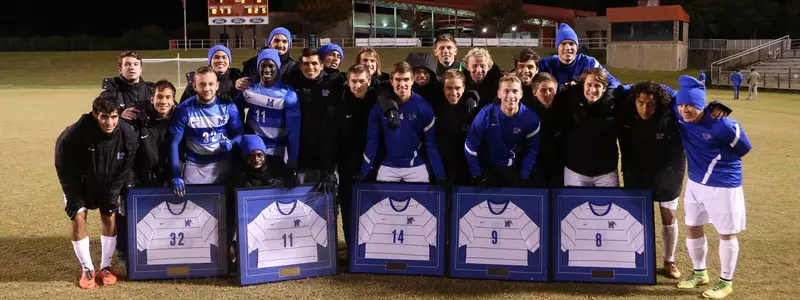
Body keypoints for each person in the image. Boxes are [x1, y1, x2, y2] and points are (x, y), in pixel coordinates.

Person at [674, 75, 751, 299]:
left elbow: (744, 148)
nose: (684, 109)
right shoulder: (681, 117)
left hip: (723, 186)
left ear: (702, 105)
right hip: (695, 184)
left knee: (726, 233)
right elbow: (667, 94)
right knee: (693, 226)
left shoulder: (724, 125)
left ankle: (726, 282)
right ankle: (700, 273)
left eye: (690, 105)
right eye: (681, 104)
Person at [55, 95, 139, 289]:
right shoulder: (74, 134)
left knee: (109, 218)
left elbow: (127, 166)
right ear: (95, 115)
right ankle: (87, 270)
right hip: (79, 183)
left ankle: (105, 267)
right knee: (78, 218)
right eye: (104, 117)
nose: (109, 122)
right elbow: (63, 166)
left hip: (108, 183)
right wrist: (72, 194)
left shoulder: (127, 133)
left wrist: (115, 190)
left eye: (114, 117)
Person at [617, 81, 685, 279]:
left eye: (650, 104)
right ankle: (638, 259)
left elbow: (688, 98)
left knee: (668, 216)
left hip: (668, 172)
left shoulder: (670, 116)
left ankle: (669, 261)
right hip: (637, 171)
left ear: (659, 103)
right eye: (641, 103)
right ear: (635, 101)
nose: (645, 108)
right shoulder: (627, 115)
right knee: (637, 217)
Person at [118, 79, 177, 267]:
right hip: (139, 177)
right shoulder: (139, 117)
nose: (164, 101)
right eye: (160, 97)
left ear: (174, 101)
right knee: (128, 215)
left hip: (165, 176)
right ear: (152, 98)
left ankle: (158, 251)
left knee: (160, 217)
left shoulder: (178, 118)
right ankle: (125, 252)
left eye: (168, 97)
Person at [360, 62, 447, 183]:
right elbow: (372, 142)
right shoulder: (379, 108)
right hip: (388, 167)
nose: (402, 84)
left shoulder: (424, 107)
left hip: (416, 167)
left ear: (412, 81)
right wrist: (364, 172)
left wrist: (440, 175)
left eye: (406, 79)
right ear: (391, 81)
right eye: (398, 80)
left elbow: (431, 145)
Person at [169, 66, 244, 196]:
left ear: (217, 85)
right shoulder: (183, 110)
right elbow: (174, 143)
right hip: (195, 167)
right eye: (202, 84)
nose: (207, 88)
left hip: (223, 165)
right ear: (194, 86)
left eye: (210, 84)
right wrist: (175, 174)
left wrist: (232, 143)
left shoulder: (228, 107)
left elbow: (239, 134)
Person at [234, 49, 301, 188]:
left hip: (278, 151)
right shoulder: (248, 89)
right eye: (263, 65)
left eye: (271, 65)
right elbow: (233, 112)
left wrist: (293, 159)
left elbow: (294, 130)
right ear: (257, 67)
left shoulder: (288, 95)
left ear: (277, 67)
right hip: (254, 153)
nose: (267, 69)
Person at [464, 73, 541, 187]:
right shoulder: (486, 114)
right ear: (499, 93)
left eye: (515, 91)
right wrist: (476, 174)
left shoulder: (531, 119)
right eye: (506, 91)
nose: (510, 96)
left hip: (513, 168)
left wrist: (524, 175)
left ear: (521, 94)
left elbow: (532, 150)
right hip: (487, 166)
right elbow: (470, 145)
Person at [284, 47, 344, 192]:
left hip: (328, 150)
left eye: (314, 63)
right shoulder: (292, 82)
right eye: (306, 63)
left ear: (321, 65)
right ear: (300, 65)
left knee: (329, 196)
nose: (310, 67)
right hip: (302, 151)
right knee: (302, 195)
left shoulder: (336, 82)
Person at [335, 64, 377, 249]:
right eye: (354, 81)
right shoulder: (340, 102)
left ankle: (372, 246)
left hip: (373, 163)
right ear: (348, 81)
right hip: (347, 164)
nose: (357, 85)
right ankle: (352, 247)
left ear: (369, 81)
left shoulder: (378, 100)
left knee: (371, 205)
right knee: (348, 204)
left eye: (362, 81)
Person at [560, 68, 620, 187]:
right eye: (589, 84)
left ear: (604, 88)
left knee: (609, 205)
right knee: (575, 206)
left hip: (606, 173)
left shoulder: (615, 102)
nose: (592, 90)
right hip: (575, 171)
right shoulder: (569, 98)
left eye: (597, 85)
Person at [434, 69, 480, 186]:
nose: (454, 92)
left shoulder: (472, 108)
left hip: (467, 167)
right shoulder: (435, 105)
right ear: (443, 88)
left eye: (458, 88)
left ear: (464, 88)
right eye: (449, 88)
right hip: (443, 167)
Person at [539, 24, 620, 89]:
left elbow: (612, 81)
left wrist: (609, 94)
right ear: (557, 47)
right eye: (563, 44)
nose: (568, 48)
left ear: (577, 47)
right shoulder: (546, 64)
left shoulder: (589, 62)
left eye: (571, 44)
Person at [527, 72, 566, 188]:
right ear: (534, 92)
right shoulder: (527, 112)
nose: (547, 94)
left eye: (551, 90)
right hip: (537, 164)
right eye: (543, 90)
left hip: (560, 164)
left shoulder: (565, 109)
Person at [100, 50, 154, 121]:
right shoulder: (108, 95)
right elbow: (99, 115)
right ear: (120, 70)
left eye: (135, 64)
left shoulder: (153, 90)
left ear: (141, 69)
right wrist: (119, 114)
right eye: (127, 64)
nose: (131, 67)